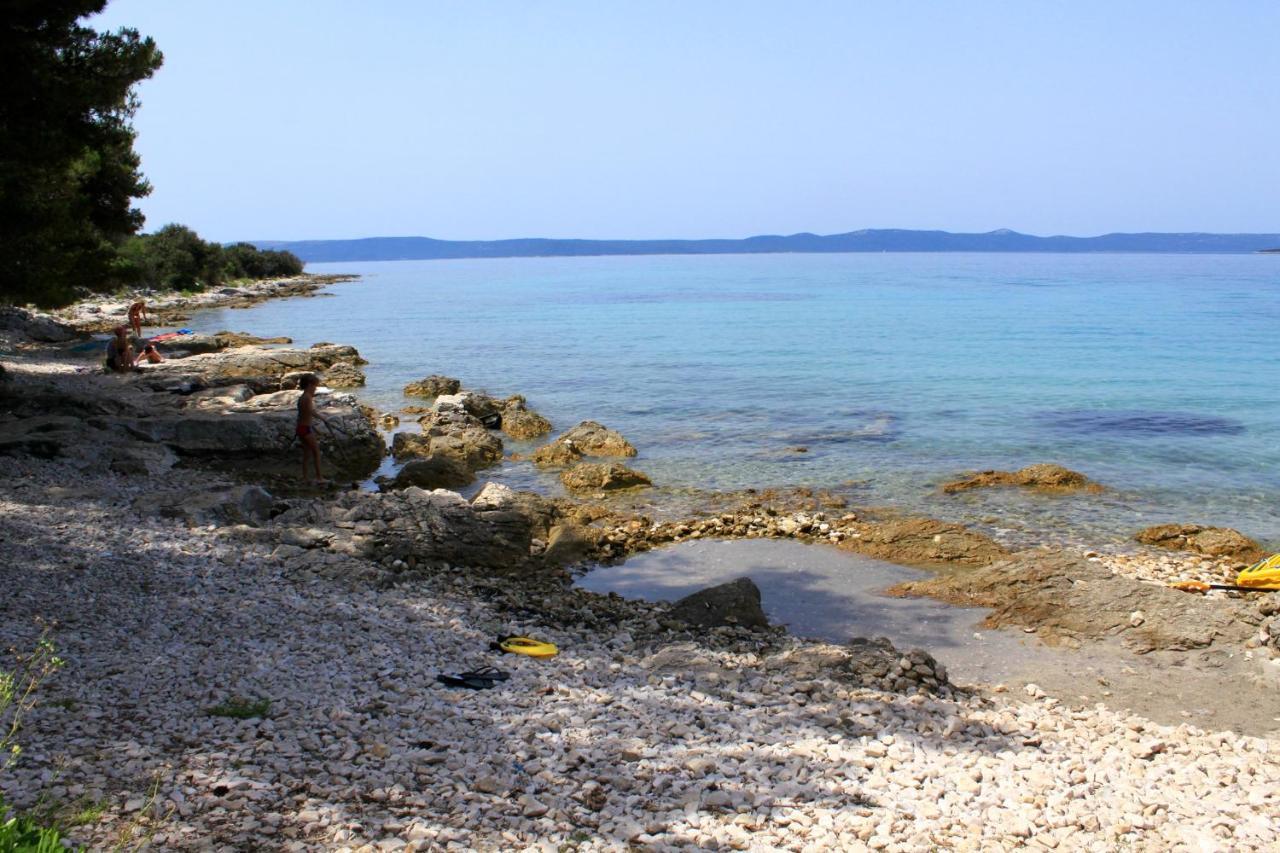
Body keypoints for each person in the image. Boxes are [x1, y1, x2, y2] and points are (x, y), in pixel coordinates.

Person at [295, 374, 329, 484]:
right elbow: (311, 412)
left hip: (301, 428)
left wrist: (316, 429)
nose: (315, 389)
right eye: (315, 386)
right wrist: (323, 418)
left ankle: (305, 477)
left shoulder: (302, 397)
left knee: (307, 454)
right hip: (305, 429)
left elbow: (304, 416)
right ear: (310, 385)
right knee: (316, 452)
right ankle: (319, 477)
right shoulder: (307, 397)